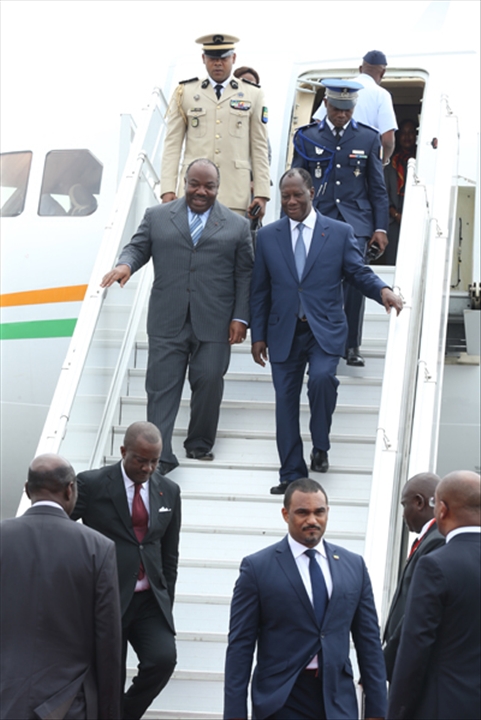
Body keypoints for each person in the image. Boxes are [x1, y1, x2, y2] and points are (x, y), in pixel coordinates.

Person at [250, 168, 402, 494]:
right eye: (285, 196)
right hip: (283, 331)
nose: (291, 201)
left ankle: (320, 443)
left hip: (324, 330)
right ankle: (291, 474)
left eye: (297, 195)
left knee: (321, 380)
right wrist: (258, 336)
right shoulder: (268, 236)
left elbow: (358, 272)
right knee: (285, 402)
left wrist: (383, 291)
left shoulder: (339, 232)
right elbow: (260, 290)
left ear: (312, 193)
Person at [101, 159, 253, 473]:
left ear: (218, 188)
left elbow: (245, 275)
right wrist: (125, 265)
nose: (201, 191)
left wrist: (241, 317)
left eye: (208, 186)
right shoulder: (157, 216)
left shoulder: (237, 226)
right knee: (161, 388)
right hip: (167, 318)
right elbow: (137, 248)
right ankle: (161, 457)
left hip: (215, 321)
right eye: (194, 184)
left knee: (209, 380)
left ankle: (199, 442)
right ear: (185, 183)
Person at [224, 477, 387, 720]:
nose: (312, 520)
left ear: (327, 512)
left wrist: (377, 709)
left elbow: (369, 642)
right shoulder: (257, 568)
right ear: (285, 514)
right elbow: (240, 646)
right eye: (302, 512)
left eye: (319, 512)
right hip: (281, 700)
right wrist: (235, 713)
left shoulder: (354, 566)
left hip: (338, 700)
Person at [71, 421, 181, 720]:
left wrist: (166, 601)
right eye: (141, 460)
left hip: (149, 601)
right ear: (123, 451)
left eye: (154, 462)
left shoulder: (169, 490)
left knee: (163, 660)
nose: (148, 468)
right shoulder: (92, 484)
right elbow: (63, 532)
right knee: (110, 677)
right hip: (107, 599)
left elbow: (170, 553)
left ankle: (123, 714)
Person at [0, 454, 122, 720]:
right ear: (70, 489)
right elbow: (108, 642)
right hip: (69, 705)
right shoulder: (98, 548)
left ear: (27, 489)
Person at [292, 79, 390, 368]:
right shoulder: (308, 136)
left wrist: (380, 228)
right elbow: (296, 182)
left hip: (355, 223)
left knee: (356, 282)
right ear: (326, 104)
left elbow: (377, 188)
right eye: (336, 109)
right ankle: (317, 341)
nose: (342, 115)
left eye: (347, 110)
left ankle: (351, 344)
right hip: (318, 219)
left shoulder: (368, 138)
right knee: (315, 281)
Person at [387, 470, 481, 720]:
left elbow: (415, 649)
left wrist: (397, 712)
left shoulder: (436, 565)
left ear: (442, 509)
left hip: (446, 706)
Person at [160, 33, 270, 219]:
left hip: (235, 194)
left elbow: (260, 148)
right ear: (203, 59)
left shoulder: (253, 94)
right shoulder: (185, 93)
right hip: (193, 194)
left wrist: (261, 194)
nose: (218, 63)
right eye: (212, 58)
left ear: (233, 58)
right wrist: (167, 189)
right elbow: (172, 145)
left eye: (224, 58)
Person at [382, 472, 444, 682]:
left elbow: (417, 608)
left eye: (404, 505)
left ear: (419, 502)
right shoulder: (429, 539)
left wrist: (385, 662)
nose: (402, 515)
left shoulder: (437, 541)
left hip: (411, 664)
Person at [313, 50, 398, 165]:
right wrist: (379, 164)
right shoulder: (382, 95)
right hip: (362, 163)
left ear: (360, 69)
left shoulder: (340, 88)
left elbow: (318, 126)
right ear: (382, 73)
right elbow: (388, 141)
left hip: (331, 159)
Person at [381, 119, 417, 265]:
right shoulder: (389, 162)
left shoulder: (422, 159)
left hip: (416, 218)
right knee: (393, 261)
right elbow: (382, 192)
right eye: (403, 133)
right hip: (393, 219)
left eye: (411, 132)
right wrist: (396, 215)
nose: (407, 136)